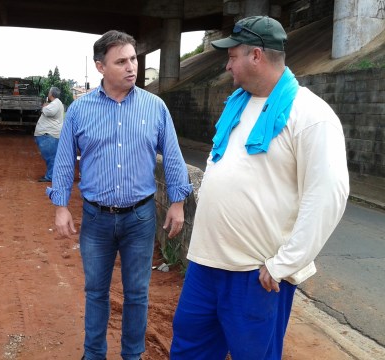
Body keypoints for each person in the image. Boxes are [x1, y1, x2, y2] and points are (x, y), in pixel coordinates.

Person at [170, 16, 350, 359]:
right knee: (189, 349)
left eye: (232, 56)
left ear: (255, 56)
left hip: (255, 275)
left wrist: (284, 264)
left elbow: (327, 196)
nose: (227, 64)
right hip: (206, 266)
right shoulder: (236, 104)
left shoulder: (311, 115)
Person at [46, 30, 192, 360]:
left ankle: (133, 355)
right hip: (96, 219)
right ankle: (94, 354)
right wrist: (61, 207)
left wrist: (178, 202)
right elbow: (65, 160)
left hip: (140, 219)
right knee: (96, 291)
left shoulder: (155, 107)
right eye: (121, 61)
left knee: (137, 294)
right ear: (101, 67)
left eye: (134, 59)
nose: (131, 67)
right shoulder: (80, 110)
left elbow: (171, 156)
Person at [34, 86, 64, 182]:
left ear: (51, 94)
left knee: (51, 157)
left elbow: (49, 111)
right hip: (49, 134)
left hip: (49, 135)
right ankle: (51, 175)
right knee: (51, 157)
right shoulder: (56, 103)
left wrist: (44, 107)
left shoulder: (55, 103)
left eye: (49, 92)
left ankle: (50, 176)